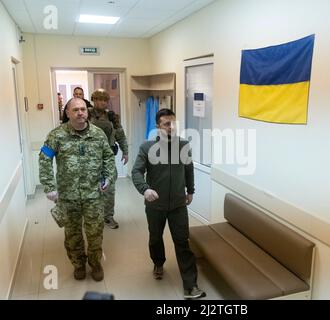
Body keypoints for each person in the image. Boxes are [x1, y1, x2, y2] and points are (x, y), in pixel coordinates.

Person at [131, 108, 206, 300]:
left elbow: (188, 169)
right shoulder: (147, 148)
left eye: (173, 123)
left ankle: (190, 286)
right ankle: (158, 262)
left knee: (182, 242)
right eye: (166, 123)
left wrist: (190, 191)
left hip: (178, 205)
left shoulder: (183, 146)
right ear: (158, 126)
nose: (171, 127)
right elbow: (136, 172)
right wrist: (145, 189)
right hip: (155, 204)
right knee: (155, 238)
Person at [39, 98, 116, 281]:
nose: (80, 113)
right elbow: (44, 159)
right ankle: (79, 264)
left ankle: (95, 264)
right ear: (68, 113)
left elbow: (108, 158)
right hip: (68, 195)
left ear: (87, 112)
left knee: (95, 233)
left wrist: (108, 177)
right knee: (72, 235)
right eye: (75, 110)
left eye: (83, 109)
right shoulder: (56, 135)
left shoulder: (98, 134)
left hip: (94, 194)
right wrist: (49, 186)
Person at [88, 89, 129, 229]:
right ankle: (91, 217)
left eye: (105, 100)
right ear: (94, 100)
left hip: (108, 158)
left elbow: (121, 135)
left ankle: (108, 216)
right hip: (89, 159)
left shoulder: (112, 117)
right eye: (99, 99)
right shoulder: (86, 114)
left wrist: (126, 151)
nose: (102, 102)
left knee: (109, 189)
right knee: (91, 189)